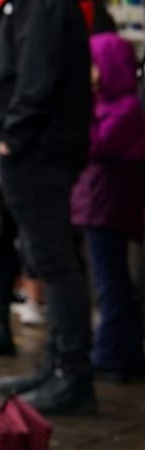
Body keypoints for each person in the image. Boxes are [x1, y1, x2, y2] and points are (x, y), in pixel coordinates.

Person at [0, 0, 97, 416]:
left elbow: (36, 79)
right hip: (32, 149)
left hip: (37, 151)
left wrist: (10, 138)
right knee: (46, 258)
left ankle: (72, 375)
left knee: (54, 261)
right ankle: (55, 367)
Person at [76, 30, 145, 384]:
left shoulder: (124, 109)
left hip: (107, 206)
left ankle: (111, 354)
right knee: (112, 277)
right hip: (104, 204)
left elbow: (95, 145)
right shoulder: (117, 106)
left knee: (110, 279)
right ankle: (124, 350)